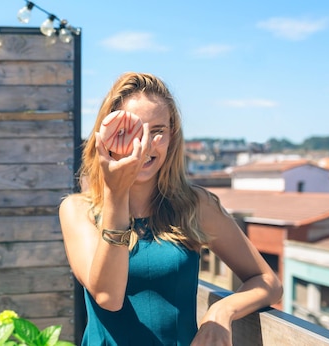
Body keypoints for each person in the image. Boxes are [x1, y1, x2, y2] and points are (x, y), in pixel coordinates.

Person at [59, 72, 283, 345]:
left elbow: (267, 281)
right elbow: (108, 297)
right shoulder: (78, 210)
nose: (144, 144)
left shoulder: (195, 205)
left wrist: (221, 311)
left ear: (172, 136)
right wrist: (116, 193)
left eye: (157, 131)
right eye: (132, 130)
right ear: (107, 136)